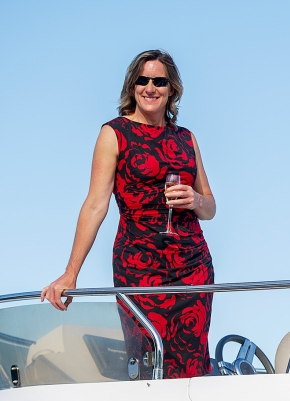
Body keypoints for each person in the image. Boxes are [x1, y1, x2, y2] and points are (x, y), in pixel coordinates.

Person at [42, 49, 216, 378]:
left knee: (192, 363)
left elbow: (210, 206)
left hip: (192, 266)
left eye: (159, 81)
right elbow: (96, 204)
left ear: (172, 89)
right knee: (147, 361)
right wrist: (70, 273)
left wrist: (194, 199)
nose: (150, 87)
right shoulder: (114, 133)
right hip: (138, 265)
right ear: (132, 86)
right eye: (142, 80)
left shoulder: (186, 138)